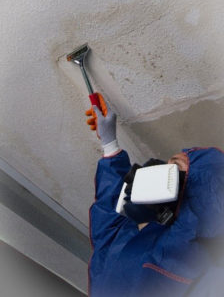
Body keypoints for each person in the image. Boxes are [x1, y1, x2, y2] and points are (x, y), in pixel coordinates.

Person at [85, 97, 224, 297]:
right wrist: (110, 145)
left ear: (192, 193)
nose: (160, 167)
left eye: (174, 167)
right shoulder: (132, 231)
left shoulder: (199, 269)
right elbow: (109, 217)